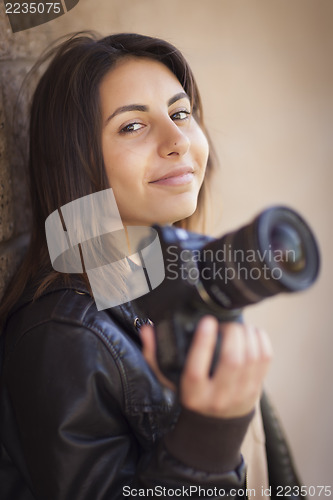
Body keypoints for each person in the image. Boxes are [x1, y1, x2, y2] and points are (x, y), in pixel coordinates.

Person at [0, 32, 303, 499]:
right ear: (77, 161)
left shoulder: (181, 280)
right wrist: (207, 438)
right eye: (132, 126)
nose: (177, 140)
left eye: (180, 113)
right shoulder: (64, 335)